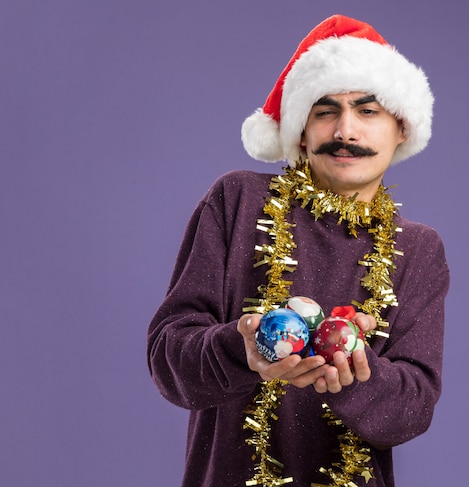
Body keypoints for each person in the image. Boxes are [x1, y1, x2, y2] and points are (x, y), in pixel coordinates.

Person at [148, 14, 450, 487]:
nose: (345, 131)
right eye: (325, 110)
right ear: (301, 132)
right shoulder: (238, 201)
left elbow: (413, 409)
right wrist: (242, 348)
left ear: (402, 128)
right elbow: (170, 359)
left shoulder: (419, 249)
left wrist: (352, 373)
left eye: (368, 111)